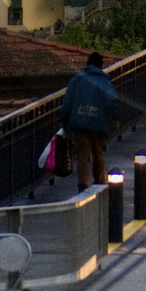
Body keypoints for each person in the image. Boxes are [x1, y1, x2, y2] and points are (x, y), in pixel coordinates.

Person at [61, 51, 119, 192]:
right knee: (98, 153)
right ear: (101, 65)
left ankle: (83, 185)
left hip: (79, 124)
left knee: (82, 155)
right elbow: (112, 101)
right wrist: (116, 118)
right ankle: (99, 182)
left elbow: (67, 103)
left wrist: (65, 123)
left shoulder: (77, 80)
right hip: (99, 125)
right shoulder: (105, 81)